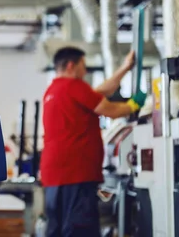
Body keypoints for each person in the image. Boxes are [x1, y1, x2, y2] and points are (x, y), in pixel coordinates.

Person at [40, 47, 147, 237]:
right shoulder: (74, 86)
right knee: (80, 230)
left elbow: (101, 91)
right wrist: (136, 104)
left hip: (55, 174)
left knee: (56, 229)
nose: (86, 71)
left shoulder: (54, 89)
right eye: (83, 65)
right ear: (72, 65)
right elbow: (112, 110)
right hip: (76, 173)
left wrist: (125, 68)